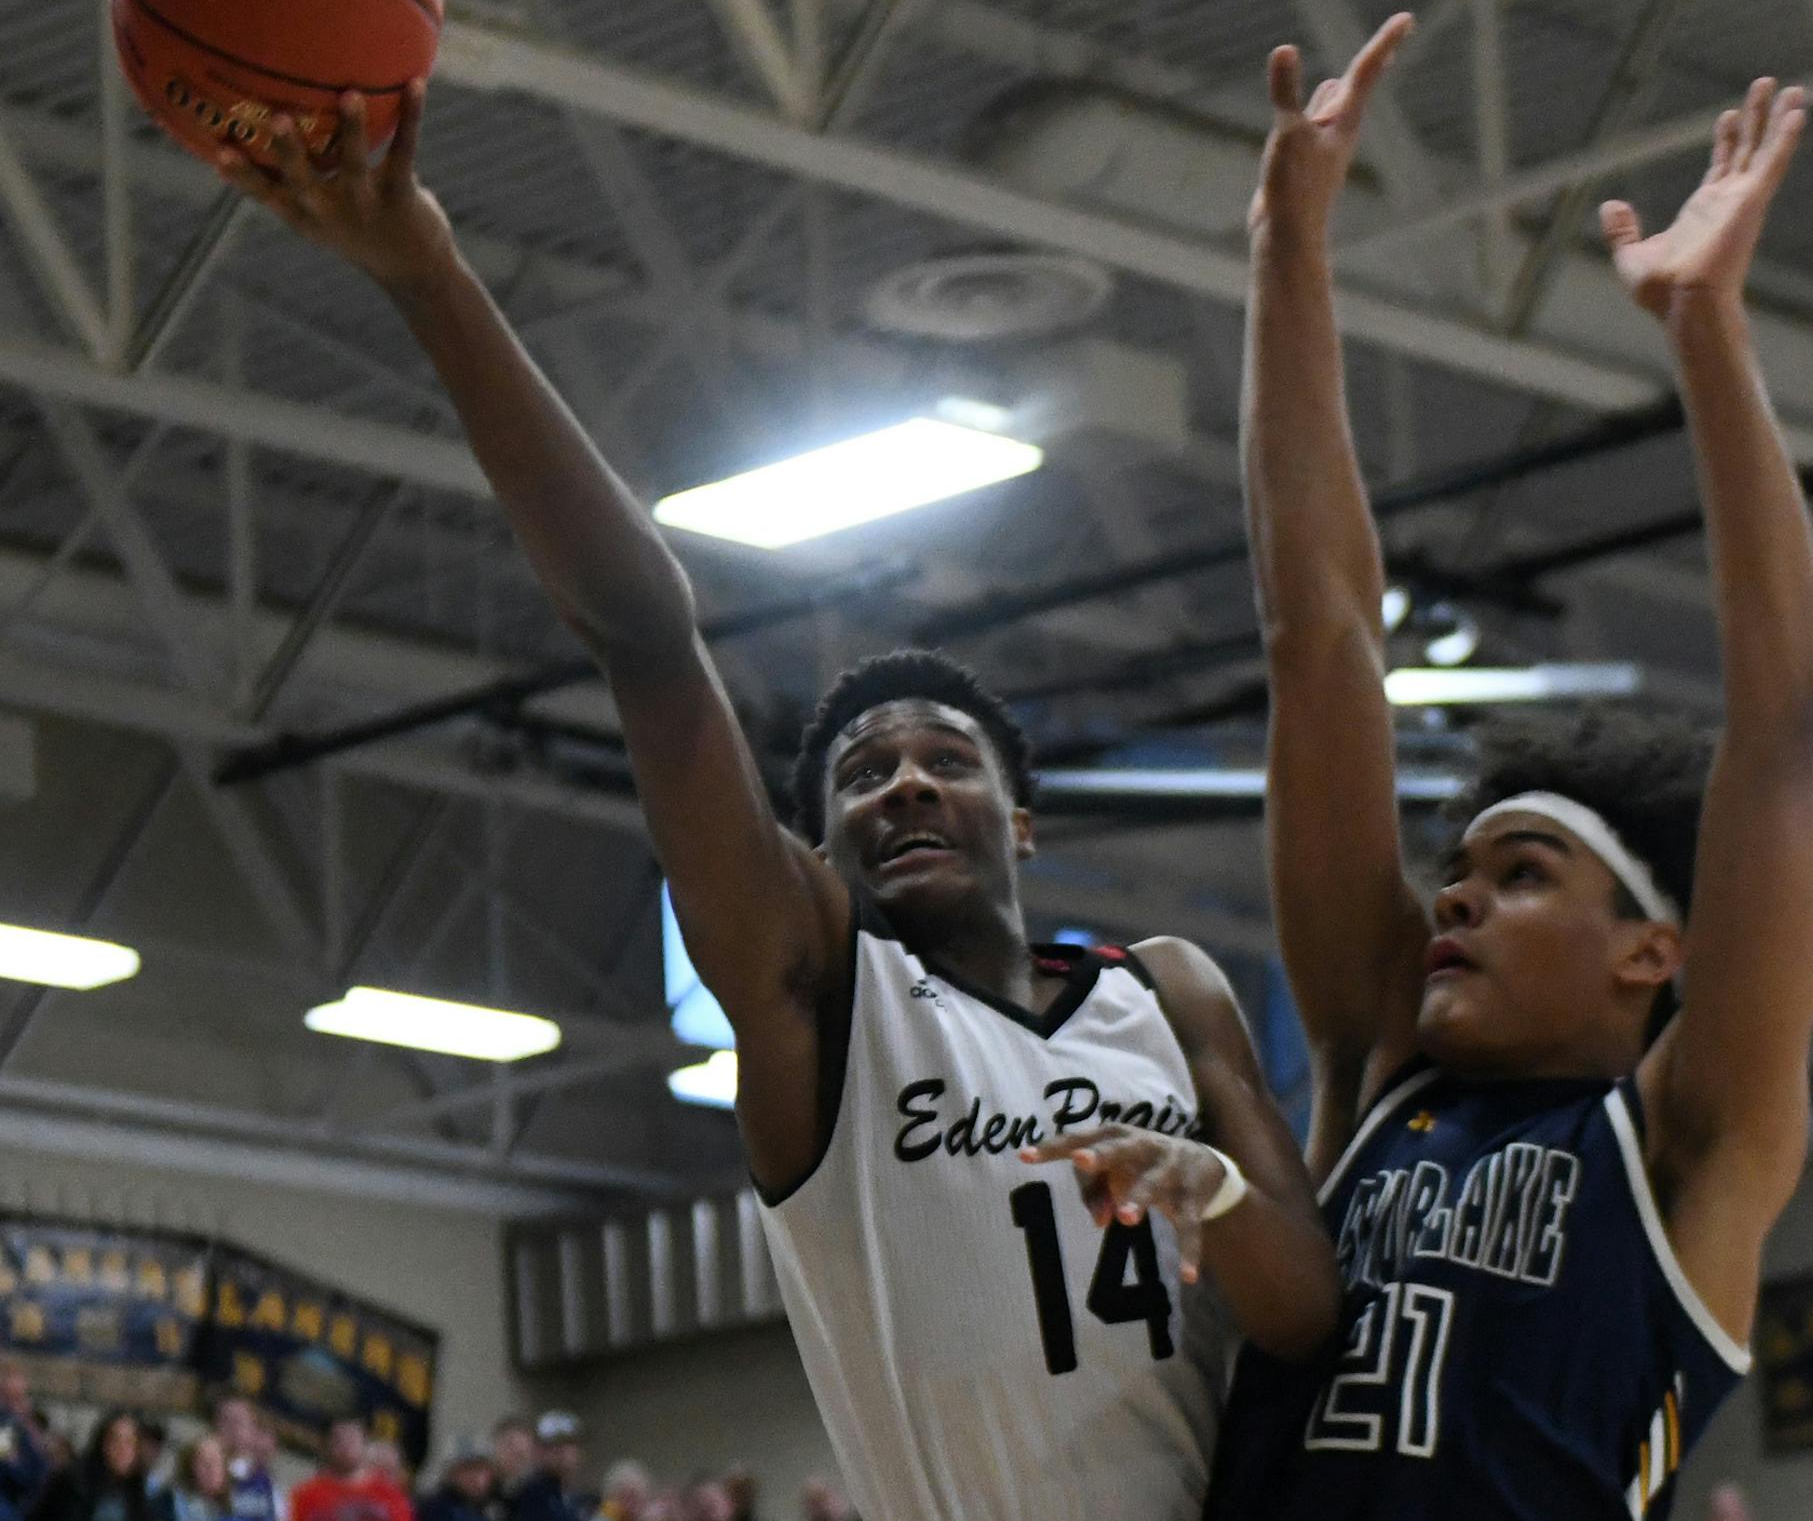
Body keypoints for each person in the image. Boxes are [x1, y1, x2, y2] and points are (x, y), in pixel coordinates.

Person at [218, 85, 1339, 1521]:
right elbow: (642, 637)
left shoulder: (1167, 996)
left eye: (946, 756)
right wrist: (428, 270)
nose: (907, 778)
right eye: (862, 773)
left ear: (1025, 819)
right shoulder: (822, 1002)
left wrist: (1208, 1188)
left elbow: (1306, 1317)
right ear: (825, 847)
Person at [1205, 16, 1813, 1521]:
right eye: (1463, 871)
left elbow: (1790, 738)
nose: (1459, 901)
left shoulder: (1693, 1142)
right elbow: (1321, 640)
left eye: (1522, 873)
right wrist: (1287, 249)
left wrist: (1707, 333)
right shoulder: (1380, 1066)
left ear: (1650, 952)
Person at [34, 1412, 153, 1521]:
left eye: (129, 1442)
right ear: (102, 1444)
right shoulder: (75, 1482)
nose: (121, 1449)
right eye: (115, 1440)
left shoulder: (136, 1491)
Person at [287, 1421, 411, 1521]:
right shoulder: (306, 1495)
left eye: (352, 1438)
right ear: (326, 1445)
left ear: (365, 1442)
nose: (346, 1446)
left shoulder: (390, 1496)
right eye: (339, 1439)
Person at [210, 1401, 275, 1521]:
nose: (232, 1428)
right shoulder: (202, 1468)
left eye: (238, 1422)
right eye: (226, 1420)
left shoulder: (262, 1484)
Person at [505, 1416, 579, 1521]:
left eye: (568, 1444)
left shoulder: (568, 1496)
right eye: (553, 1446)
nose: (561, 1453)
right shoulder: (533, 1494)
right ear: (538, 1451)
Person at [0, 1363, 48, 1521]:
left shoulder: (28, 1428)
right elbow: (13, 1471)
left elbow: (40, 1469)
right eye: (10, 1398)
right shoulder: (6, 1426)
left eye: (20, 1397)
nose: (17, 1405)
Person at [416, 1438, 492, 1521]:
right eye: (466, 1470)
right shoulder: (436, 1508)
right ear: (451, 1474)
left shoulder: (487, 1506)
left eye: (480, 1470)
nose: (475, 1478)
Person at [162, 1436, 232, 1521]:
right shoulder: (171, 1504)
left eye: (217, 1461)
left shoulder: (236, 1502)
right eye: (203, 1462)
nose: (211, 1468)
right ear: (189, 1468)